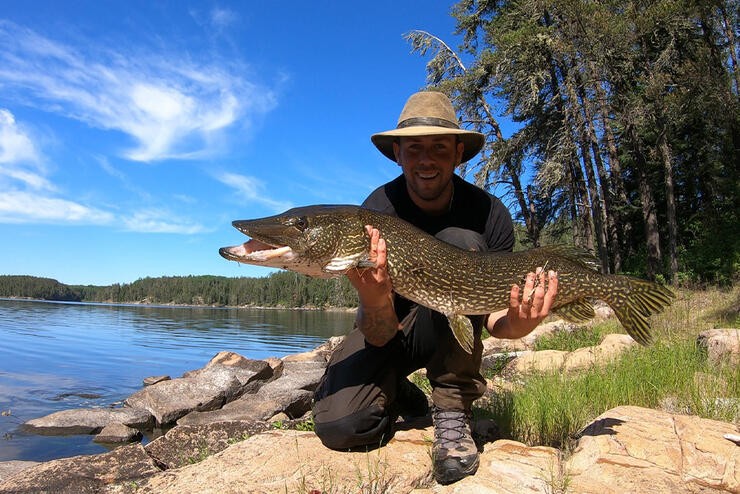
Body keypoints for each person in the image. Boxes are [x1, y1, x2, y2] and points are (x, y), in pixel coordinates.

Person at [311, 91, 558, 485]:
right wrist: (374, 297)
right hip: (392, 327)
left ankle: (452, 410)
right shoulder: (376, 210)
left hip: (451, 324)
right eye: (414, 149)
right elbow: (377, 331)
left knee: (462, 242)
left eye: (439, 147)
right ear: (397, 154)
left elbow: (493, 320)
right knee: (343, 425)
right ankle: (400, 392)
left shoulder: (489, 213)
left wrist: (520, 324)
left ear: (459, 153)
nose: (426, 160)